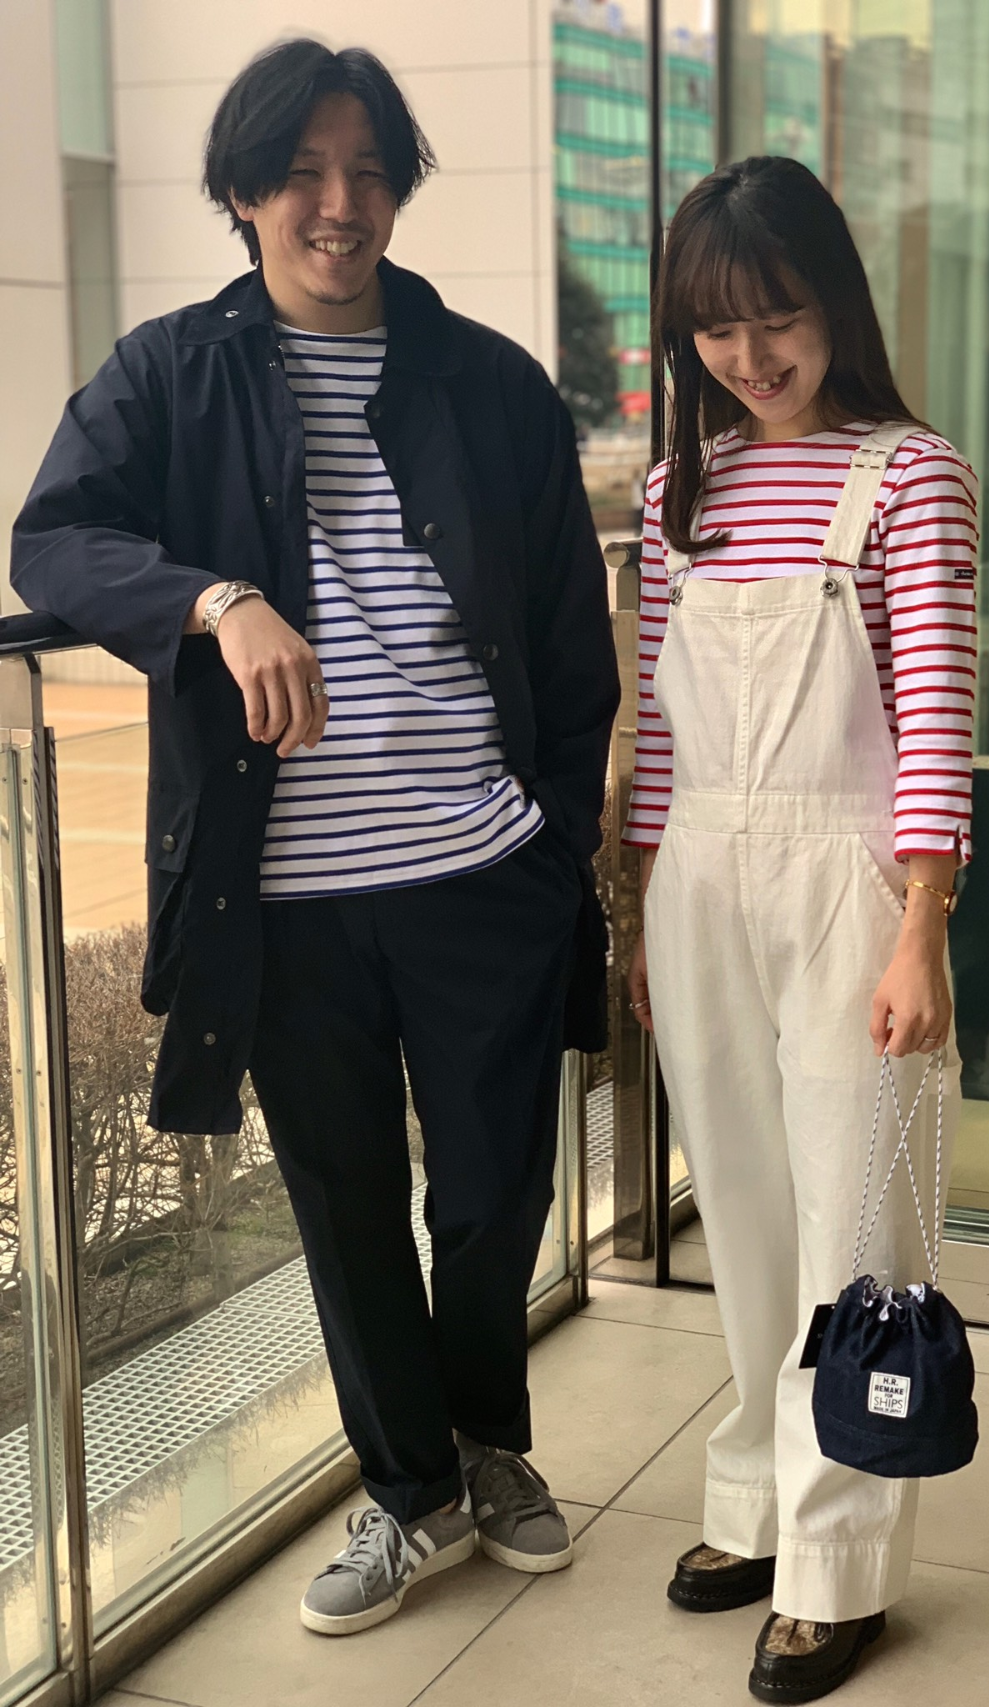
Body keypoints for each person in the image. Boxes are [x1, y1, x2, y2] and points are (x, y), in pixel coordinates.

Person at [12, 41, 617, 1636]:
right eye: (302, 173)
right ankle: (414, 1489)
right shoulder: (170, 371)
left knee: (492, 1193)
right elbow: (54, 540)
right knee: (346, 1206)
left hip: (481, 870)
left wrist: (551, 835)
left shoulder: (488, 381)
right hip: (281, 897)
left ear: (399, 187)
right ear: (242, 192)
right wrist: (216, 598)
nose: (339, 204)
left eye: (367, 171)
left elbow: (573, 633)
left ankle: (487, 1441)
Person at [625, 157, 975, 1704]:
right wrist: (643, 906)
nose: (751, 356)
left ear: (834, 299)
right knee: (748, 1215)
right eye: (717, 328)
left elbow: (938, 715)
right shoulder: (675, 492)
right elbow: (655, 725)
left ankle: (838, 1568)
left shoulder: (911, 475)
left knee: (854, 1231)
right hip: (699, 874)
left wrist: (923, 924)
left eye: (778, 316)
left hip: (851, 876)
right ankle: (757, 1499)